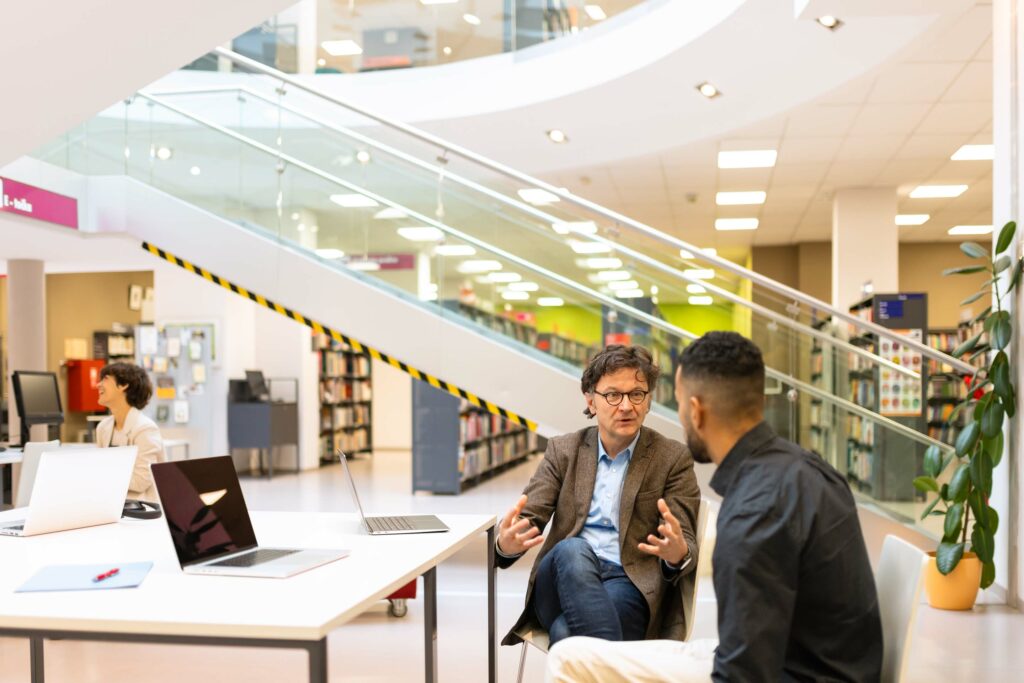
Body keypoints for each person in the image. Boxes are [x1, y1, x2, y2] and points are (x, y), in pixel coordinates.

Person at [545, 331, 883, 682]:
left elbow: (744, 674)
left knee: (566, 659)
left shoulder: (754, 511)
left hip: (789, 672)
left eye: (676, 402)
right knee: (572, 649)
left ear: (695, 410)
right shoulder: (804, 467)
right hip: (811, 661)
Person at [496, 345, 701, 648]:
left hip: (628, 581)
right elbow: (527, 518)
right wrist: (506, 545)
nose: (626, 406)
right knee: (572, 550)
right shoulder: (564, 450)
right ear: (590, 400)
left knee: (567, 635)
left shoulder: (671, 457)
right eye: (613, 395)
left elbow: (685, 545)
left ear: (648, 401)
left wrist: (677, 554)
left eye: (636, 394)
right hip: (561, 577)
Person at [95, 362, 166, 502]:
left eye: (105, 379)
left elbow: (141, 481)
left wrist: (103, 475)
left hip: (143, 509)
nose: (98, 385)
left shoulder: (145, 429)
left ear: (123, 385)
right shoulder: (103, 427)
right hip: (112, 504)